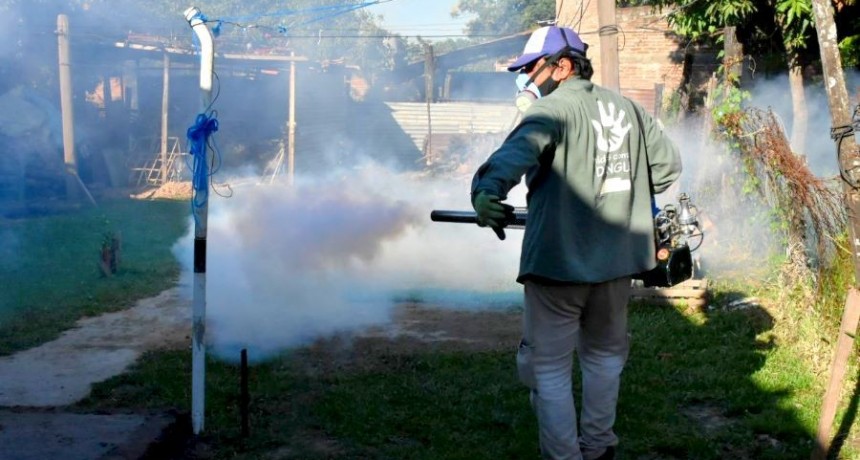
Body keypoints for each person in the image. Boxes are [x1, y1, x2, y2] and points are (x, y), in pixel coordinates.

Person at [470, 25, 682, 460]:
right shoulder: (630, 110)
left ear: (562, 66)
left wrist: (486, 192)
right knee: (605, 359)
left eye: (532, 69)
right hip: (619, 262)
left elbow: (512, 159)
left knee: (547, 369)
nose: (529, 79)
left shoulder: (548, 112)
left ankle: (565, 456)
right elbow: (666, 169)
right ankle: (599, 447)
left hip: (558, 265)